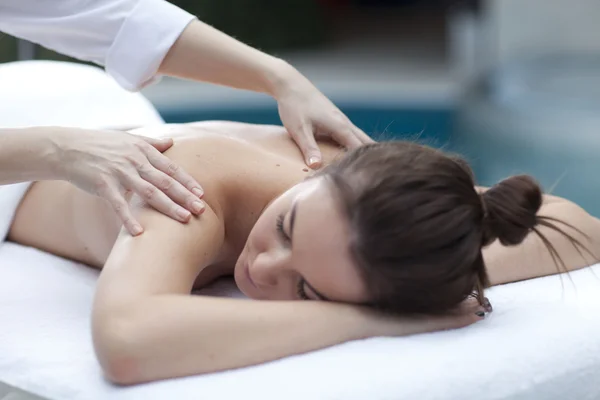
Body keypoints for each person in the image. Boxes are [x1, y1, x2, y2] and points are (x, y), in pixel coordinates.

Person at [6, 120, 599, 385]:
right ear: (318, 174)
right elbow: (127, 342)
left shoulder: (380, 211)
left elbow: (582, 226)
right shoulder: (187, 185)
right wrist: (371, 317)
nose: (261, 272)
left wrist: (433, 278)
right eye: (286, 228)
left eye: (307, 289)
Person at [0, 0, 372, 235]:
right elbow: (126, 339)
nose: (260, 273)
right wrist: (57, 150)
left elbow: (105, 14)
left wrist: (281, 79)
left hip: (71, 99)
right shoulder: (186, 203)